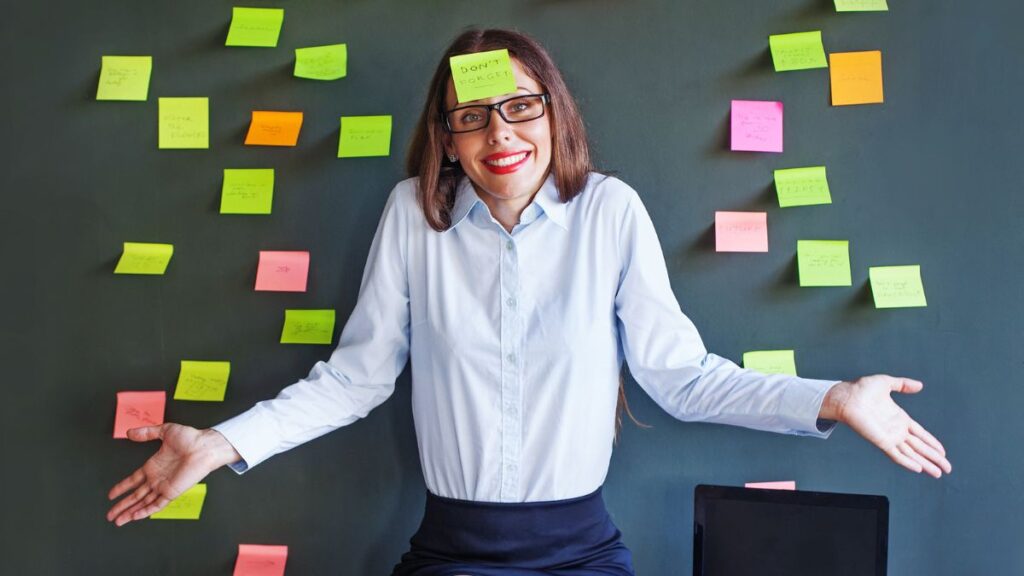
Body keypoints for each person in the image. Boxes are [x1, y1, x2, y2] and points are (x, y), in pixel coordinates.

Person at [107, 28, 952, 575]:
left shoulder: (611, 212)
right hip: (449, 554)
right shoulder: (413, 216)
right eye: (471, 116)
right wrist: (223, 443)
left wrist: (834, 401)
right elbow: (355, 379)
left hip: (582, 555)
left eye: (519, 107)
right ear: (448, 137)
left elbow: (683, 377)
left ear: (554, 113)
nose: (501, 134)